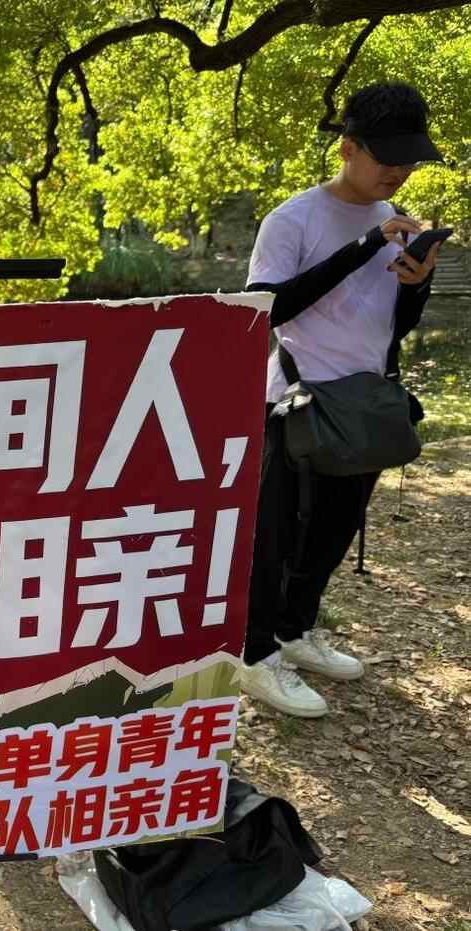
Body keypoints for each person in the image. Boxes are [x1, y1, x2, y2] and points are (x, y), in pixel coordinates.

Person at [237, 82, 443, 718]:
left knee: (333, 532)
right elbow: (267, 310)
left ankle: (295, 632)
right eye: (386, 157)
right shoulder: (293, 219)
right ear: (348, 147)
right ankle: (255, 655)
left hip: (365, 402)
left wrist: (417, 284)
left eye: (409, 159)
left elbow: (392, 327)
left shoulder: (396, 219)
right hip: (297, 401)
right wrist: (366, 247)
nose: (398, 171)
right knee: (275, 537)